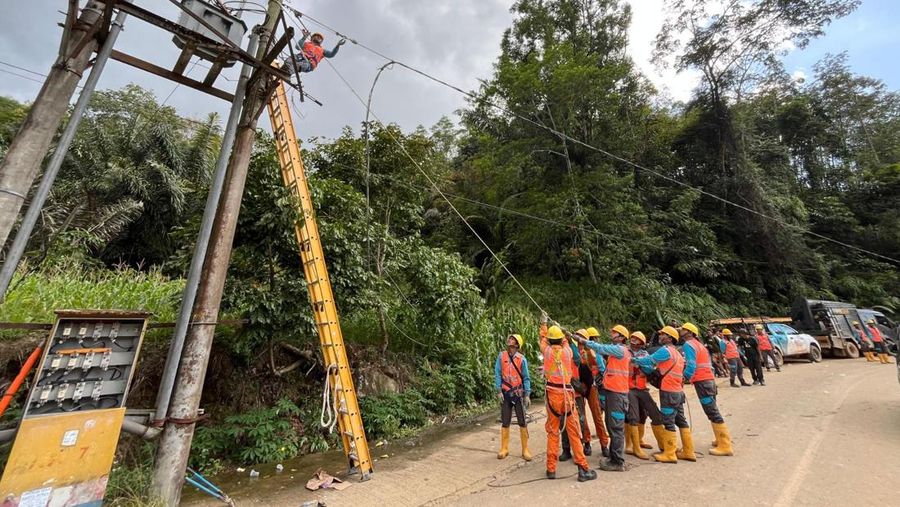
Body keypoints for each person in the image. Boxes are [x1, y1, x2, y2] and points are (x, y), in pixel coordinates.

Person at [540, 316, 597, 482]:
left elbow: (543, 340)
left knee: (552, 433)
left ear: (550, 340)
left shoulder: (547, 351)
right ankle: (583, 468)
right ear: (561, 339)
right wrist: (563, 332)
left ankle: (551, 469)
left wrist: (544, 323)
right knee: (573, 433)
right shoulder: (567, 352)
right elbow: (566, 343)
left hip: (552, 397)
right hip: (566, 396)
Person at [578, 325, 631, 471]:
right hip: (613, 392)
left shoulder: (620, 350)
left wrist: (584, 341)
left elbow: (600, 349)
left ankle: (617, 461)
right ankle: (614, 458)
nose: (611, 334)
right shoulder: (618, 352)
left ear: (621, 337)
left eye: (614, 333)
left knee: (615, 427)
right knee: (612, 425)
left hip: (617, 394)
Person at [634, 325, 687, 464]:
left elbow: (649, 361)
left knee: (668, 422)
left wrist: (634, 360)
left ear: (670, 337)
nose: (660, 336)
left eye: (663, 334)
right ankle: (688, 451)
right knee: (681, 420)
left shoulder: (666, 351)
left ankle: (669, 453)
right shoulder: (678, 353)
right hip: (678, 392)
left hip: (668, 392)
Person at [681, 323, 734, 457]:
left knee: (711, 411)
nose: (681, 332)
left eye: (683, 330)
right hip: (709, 380)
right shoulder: (700, 345)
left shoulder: (688, 345)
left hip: (702, 381)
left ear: (690, 333)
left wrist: (685, 377)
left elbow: (691, 364)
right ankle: (719, 439)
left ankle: (725, 445)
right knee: (713, 408)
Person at [624, 330, 663, 459]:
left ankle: (641, 441)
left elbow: (650, 369)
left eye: (637, 339)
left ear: (642, 343)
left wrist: (640, 363)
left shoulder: (644, 354)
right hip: (629, 388)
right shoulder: (624, 351)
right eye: (633, 338)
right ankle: (631, 446)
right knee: (632, 417)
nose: (634, 340)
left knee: (650, 414)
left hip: (641, 388)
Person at [494, 333, 532, 461]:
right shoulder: (501, 356)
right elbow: (498, 374)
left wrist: (527, 394)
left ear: (517, 344)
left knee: (522, 421)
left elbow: (526, 378)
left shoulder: (522, 359)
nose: (510, 340)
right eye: (509, 338)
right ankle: (504, 448)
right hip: (505, 393)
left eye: (513, 339)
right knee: (505, 421)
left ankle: (525, 449)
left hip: (518, 394)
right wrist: (498, 390)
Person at [579, 327, 611, 457]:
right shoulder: (574, 352)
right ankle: (587, 442)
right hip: (580, 387)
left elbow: (595, 363)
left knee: (597, 416)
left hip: (592, 386)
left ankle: (604, 444)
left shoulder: (593, 352)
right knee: (582, 417)